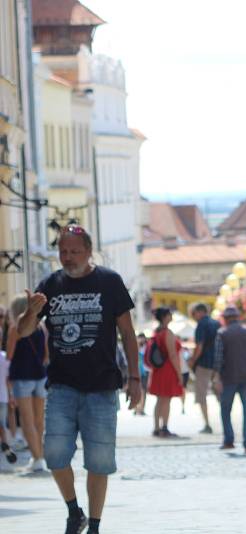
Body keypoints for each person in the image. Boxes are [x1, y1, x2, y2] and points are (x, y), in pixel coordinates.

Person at [16, 225, 141, 534]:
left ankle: (95, 525)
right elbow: (24, 330)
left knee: (99, 461)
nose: (68, 258)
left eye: (74, 252)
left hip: (101, 385)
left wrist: (135, 377)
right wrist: (31, 312)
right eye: (63, 252)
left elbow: (127, 332)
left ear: (88, 251)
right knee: (55, 455)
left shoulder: (109, 282)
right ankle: (74, 511)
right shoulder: (51, 284)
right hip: (61, 386)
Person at [6, 293, 49, 471]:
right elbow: (46, 355)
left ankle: (37, 458)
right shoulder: (41, 327)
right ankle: (40, 456)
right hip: (40, 376)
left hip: (22, 377)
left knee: (27, 420)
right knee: (39, 420)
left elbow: (9, 356)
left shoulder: (16, 328)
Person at [213, 306, 246, 454]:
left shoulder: (222, 333)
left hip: (228, 377)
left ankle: (229, 440)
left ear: (225, 319)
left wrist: (216, 378)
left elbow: (218, 359)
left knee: (225, 409)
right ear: (238, 317)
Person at [147, 307, 184, 438]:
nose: (171, 316)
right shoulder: (167, 333)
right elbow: (173, 355)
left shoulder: (156, 332)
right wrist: (179, 375)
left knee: (159, 400)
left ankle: (157, 427)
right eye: (169, 314)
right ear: (165, 317)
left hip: (158, 370)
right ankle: (165, 427)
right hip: (167, 370)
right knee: (166, 400)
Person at [187, 302, 219, 433]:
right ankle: (225, 421)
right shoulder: (217, 323)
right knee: (220, 393)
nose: (193, 317)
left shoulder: (201, 325)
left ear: (199, 312)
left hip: (204, 364)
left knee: (201, 395)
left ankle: (207, 424)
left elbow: (199, 346)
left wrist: (192, 361)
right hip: (218, 364)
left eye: (193, 314)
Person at [0, 344, 17, 464]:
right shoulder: (5, 357)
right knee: (2, 423)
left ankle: (4, 443)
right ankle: (5, 442)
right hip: (3, 396)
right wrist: (11, 395)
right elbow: (8, 379)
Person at [134, 333, 149, 415]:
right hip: (136, 370)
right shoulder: (135, 346)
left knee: (143, 390)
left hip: (145, 371)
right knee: (136, 390)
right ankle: (136, 408)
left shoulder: (147, 347)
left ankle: (142, 408)